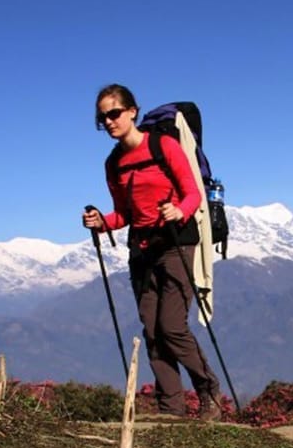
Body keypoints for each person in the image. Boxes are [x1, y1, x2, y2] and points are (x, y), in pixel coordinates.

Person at [82, 83, 223, 420]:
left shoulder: (164, 146)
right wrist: (102, 221)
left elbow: (192, 194)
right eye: (103, 118)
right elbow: (125, 214)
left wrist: (178, 211)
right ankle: (170, 408)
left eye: (114, 113)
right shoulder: (113, 163)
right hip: (141, 248)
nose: (109, 122)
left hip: (176, 242)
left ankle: (209, 391)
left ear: (132, 111)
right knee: (152, 330)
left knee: (172, 326)